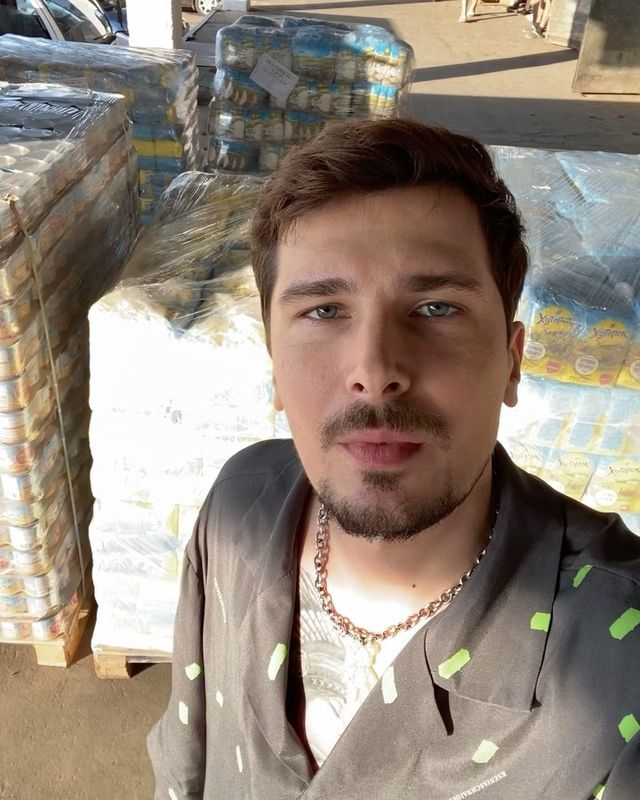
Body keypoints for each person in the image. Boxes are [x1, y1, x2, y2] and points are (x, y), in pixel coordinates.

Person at [147, 119, 640, 799]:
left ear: (512, 361)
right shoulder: (237, 509)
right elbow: (186, 760)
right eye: (324, 311)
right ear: (273, 362)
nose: (375, 372)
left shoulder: (617, 668)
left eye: (436, 308)